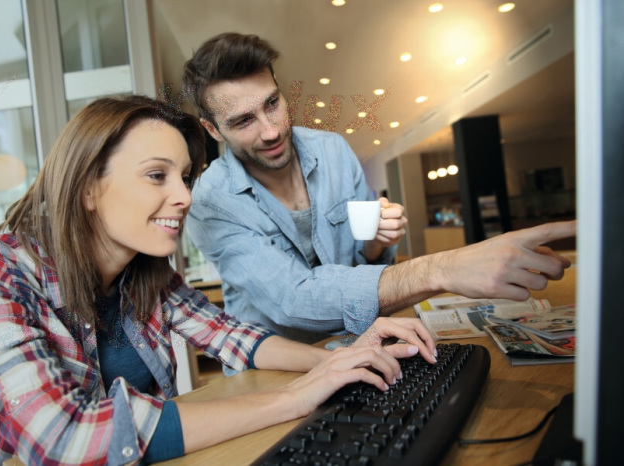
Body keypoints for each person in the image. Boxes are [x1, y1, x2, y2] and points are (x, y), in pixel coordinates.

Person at [0, 95, 436, 465]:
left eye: (184, 177)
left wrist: (342, 359)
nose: (184, 197)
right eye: (157, 176)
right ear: (89, 187)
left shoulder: (147, 273)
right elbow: (65, 436)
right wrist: (295, 396)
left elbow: (233, 336)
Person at [183, 32, 576, 345]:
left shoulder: (333, 150)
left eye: (272, 103)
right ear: (213, 130)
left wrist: (375, 244)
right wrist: (441, 268)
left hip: (357, 341)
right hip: (275, 369)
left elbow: (365, 262)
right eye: (243, 121)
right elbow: (293, 298)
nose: (271, 131)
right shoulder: (209, 201)